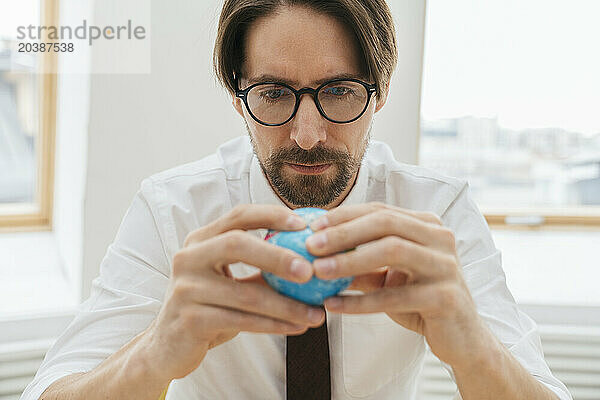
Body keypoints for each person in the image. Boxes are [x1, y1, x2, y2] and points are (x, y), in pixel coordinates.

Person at [22, 1, 571, 399]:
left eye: (338, 91)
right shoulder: (174, 212)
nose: (307, 134)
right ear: (240, 100)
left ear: (378, 92)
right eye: (274, 94)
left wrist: (474, 347)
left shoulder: (436, 214)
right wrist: (157, 348)